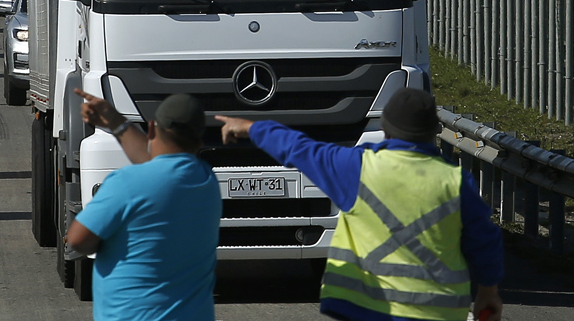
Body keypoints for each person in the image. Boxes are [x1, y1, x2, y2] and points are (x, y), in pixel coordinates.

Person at [216, 88, 504, 321]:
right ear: (433, 133)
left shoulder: (356, 168)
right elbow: (484, 241)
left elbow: (297, 147)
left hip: (369, 309)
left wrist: (251, 127)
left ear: (386, 130)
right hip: (439, 313)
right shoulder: (455, 181)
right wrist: (488, 292)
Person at [66, 91, 220, 320]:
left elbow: (78, 240)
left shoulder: (126, 182)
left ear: (151, 129)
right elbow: (159, 168)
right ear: (199, 140)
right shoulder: (205, 180)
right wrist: (116, 123)